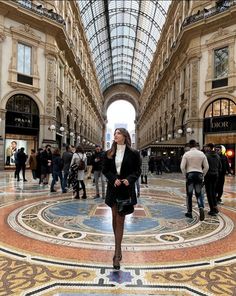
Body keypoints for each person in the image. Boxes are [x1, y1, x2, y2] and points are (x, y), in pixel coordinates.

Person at [102, 128, 141, 270]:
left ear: (124, 136)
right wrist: (113, 180)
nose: (115, 135)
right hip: (113, 188)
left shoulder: (134, 153)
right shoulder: (108, 153)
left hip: (125, 189)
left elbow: (137, 171)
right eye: (115, 133)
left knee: (120, 219)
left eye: (118, 133)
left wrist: (129, 180)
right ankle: (118, 248)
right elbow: (105, 170)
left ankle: (117, 253)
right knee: (114, 218)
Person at [180, 139, 209, 221]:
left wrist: (185, 175)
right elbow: (207, 167)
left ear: (189, 146)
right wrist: (202, 174)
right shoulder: (202, 154)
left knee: (189, 194)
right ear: (196, 145)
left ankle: (189, 212)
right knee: (199, 193)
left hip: (190, 174)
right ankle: (201, 207)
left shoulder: (186, 154)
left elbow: (182, 167)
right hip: (199, 174)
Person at [205, 143, 222, 216]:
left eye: (206, 147)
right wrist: (216, 172)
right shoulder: (217, 156)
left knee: (209, 193)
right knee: (213, 192)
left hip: (208, 175)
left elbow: (204, 166)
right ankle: (215, 207)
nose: (205, 148)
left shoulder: (206, 156)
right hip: (215, 175)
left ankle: (212, 209)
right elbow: (220, 167)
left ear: (209, 147)